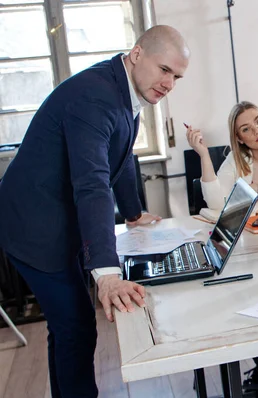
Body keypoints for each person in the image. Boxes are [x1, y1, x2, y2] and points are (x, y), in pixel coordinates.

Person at [0, 26, 190, 397]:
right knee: (75, 325)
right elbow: (92, 184)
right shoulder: (96, 97)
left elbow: (120, 155)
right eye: (164, 69)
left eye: (177, 77)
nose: (169, 84)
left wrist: (133, 213)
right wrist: (106, 274)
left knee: (70, 324)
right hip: (33, 226)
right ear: (137, 53)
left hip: (54, 217)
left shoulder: (125, 89)